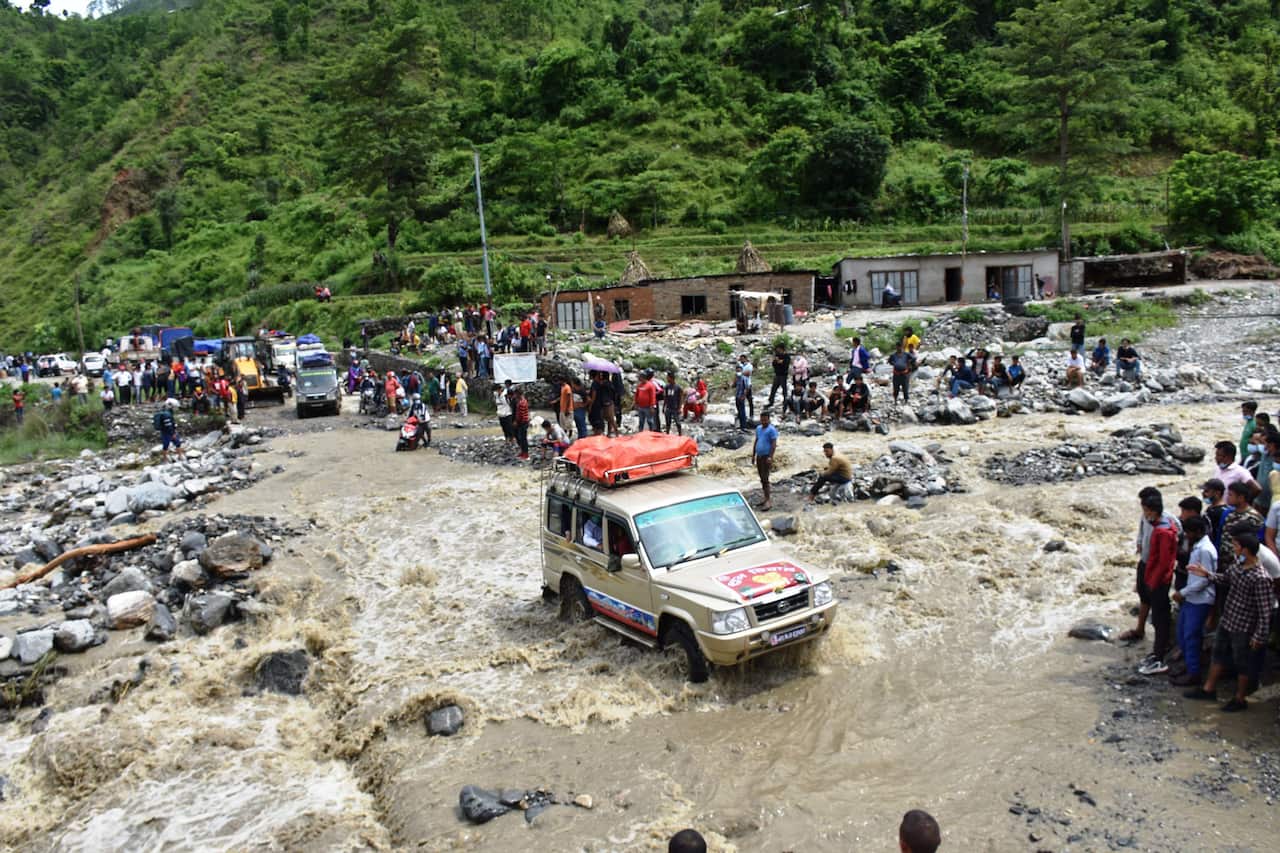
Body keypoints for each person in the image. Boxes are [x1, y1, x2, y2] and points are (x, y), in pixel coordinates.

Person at [1185, 532, 1275, 712]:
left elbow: (1265, 612)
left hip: (1244, 626)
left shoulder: (1261, 578)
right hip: (1228, 620)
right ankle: (1208, 689)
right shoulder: (1238, 565)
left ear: (1246, 550)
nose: (1234, 549)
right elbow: (1225, 579)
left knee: (1242, 663)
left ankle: (1240, 698)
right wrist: (1207, 574)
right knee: (1218, 655)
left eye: (1236, 546)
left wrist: (1259, 636)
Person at [1137, 491, 1178, 675]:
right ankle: (1156, 653)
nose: (1144, 514)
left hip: (1159, 581)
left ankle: (1159, 658)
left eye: (1146, 510)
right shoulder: (1162, 527)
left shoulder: (1163, 531)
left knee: (1160, 618)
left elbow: (1162, 562)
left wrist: (1152, 582)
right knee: (1158, 616)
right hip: (1155, 577)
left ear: (1153, 511)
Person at [1172, 515, 1216, 686]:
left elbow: (1205, 579)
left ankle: (1194, 673)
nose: (1187, 536)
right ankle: (1189, 666)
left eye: (1189, 532)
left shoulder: (1205, 550)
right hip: (1192, 598)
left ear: (1198, 532)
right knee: (1182, 633)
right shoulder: (1198, 546)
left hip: (1200, 600)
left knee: (1191, 636)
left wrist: (1182, 592)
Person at [752, 410, 778, 511]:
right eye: (762, 420)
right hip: (759, 456)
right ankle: (765, 498)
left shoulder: (772, 430)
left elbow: (774, 444)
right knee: (762, 478)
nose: (763, 422)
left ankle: (768, 500)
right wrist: (753, 455)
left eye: (765, 420)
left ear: (769, 419)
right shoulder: (758, 428)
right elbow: (756, 441)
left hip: (766, 457)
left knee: (765, 478)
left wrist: (770, 457)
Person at [768, 342, 790, 407]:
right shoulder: (777, 356)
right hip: (777, 374)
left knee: (784, 389)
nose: (778, 350)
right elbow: (774, 364)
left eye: (779, 349)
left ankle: (785, 402)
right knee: (773, 389)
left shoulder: (786, 356)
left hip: (783, 375)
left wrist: (780, 362)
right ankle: (771, 401)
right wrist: (777, 362)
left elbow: (785, 365)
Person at [512, 387, 531, 460]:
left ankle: (526, 454)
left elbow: (520, 415)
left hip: (523, 422)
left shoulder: (522, 402)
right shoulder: (521, 401)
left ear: (517, 394)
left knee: (523, 438)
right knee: (520, 437)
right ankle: (523, 451)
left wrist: (516, 422)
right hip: (522, 422)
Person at [734, 365, 751, 430]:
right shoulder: (737, 378)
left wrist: (744, 396)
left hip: (741, 396)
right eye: (737, 370)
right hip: (737, 396)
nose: (738, 371)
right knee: (739, 411)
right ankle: (741, 425)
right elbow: (734, 385)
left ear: (741, 370)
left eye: (739, 370)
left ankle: (744, 426)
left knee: (742, 411)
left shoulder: (744, 378)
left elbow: (747, 388)